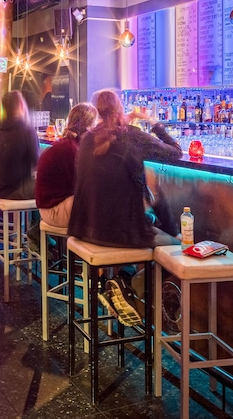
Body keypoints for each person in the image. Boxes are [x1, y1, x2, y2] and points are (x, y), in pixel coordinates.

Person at [68, 89, 184, 326]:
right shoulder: (131, 136)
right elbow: (176, 152)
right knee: (178, 249)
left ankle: (121, 282)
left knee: (146, 222)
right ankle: (131, 285)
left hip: (85, 228)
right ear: (120, 109)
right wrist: (153, 123)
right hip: (119, 233)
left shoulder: (88, 138)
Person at [34, 103, 98, 228]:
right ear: (88, 127)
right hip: (53, 210)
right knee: (101, 202)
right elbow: (79, 186)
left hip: (50, 205)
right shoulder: (70, 149)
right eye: (95, 125)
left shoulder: (69, 144)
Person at [0, 90, 39, 200]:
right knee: (54, 185)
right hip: (15, 190)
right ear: (21, 105)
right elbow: (38, 163)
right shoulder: (27, 131)